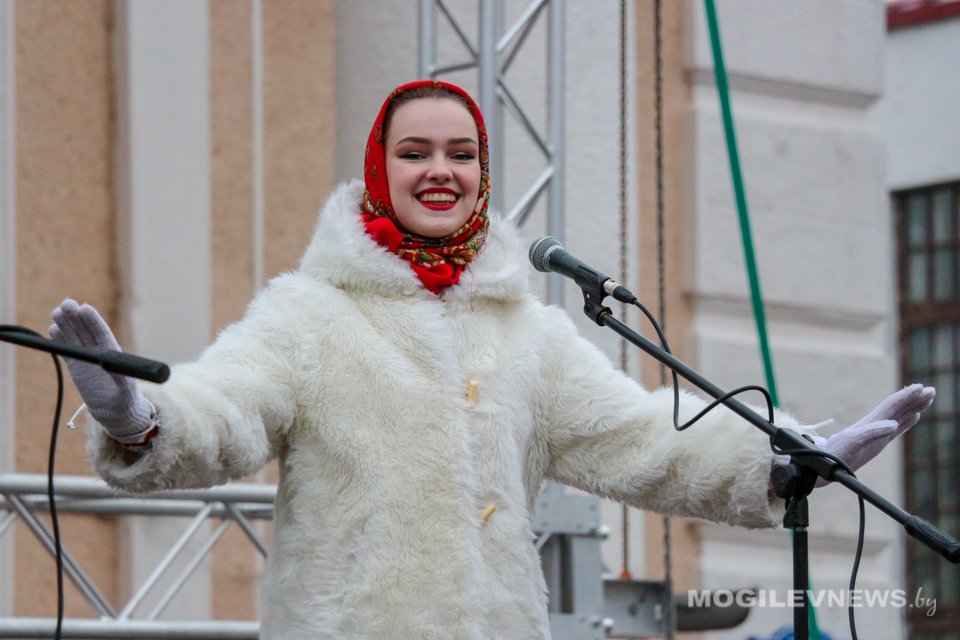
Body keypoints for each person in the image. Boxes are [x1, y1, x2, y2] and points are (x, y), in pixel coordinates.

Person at [50, 80, 934, 640]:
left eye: (461, 153)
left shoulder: (528, 332)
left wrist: (783, 458)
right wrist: (140, 417)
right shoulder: (310, 312)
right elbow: (229, 407)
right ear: (379, 170)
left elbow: (643, 438)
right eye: (415, 153)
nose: (441, 170)